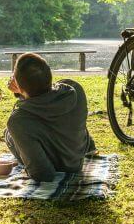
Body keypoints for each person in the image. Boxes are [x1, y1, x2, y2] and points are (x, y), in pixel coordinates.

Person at [5, 52, 96, 182]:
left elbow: (43, 174)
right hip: (76, 160)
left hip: (56, 167)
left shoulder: (18, 120)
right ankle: (90, 146)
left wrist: (22, 92)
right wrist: (22, 92)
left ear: (19, 85)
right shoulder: (75, 90)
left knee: (9, 134)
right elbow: (44, 100)